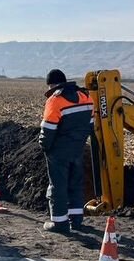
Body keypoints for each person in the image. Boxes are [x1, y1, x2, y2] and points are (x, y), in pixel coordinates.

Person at [38, 69, 94, 233]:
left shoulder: (55, 100)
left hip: (59, 152)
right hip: (78, 149)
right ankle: (76, 220)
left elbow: (48, 130)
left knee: (58, 186)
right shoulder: (86, 97)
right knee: (75, 184)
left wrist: (45, 147)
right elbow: (90, 125)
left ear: (51, 84)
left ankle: (59, 223)